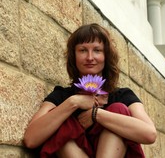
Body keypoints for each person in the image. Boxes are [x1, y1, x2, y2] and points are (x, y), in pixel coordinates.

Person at [24, 23, 157, 158]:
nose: (90, 57)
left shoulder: (122, 95)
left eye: (97, 50)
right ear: (73, 56)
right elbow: (30, 140)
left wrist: (96, 114)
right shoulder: (62, 96)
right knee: (59, 117)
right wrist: (73, 102)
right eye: (82, 50)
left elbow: (150, 134)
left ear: (106, 56)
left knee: (118, 110)